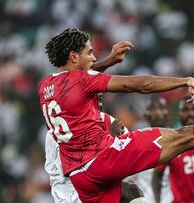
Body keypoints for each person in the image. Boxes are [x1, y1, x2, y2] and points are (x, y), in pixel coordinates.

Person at [38, 28, 194, 203]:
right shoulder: (82, 80)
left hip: (82, 178)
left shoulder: (45, 87)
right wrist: (182, 81)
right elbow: (138, 85)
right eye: (89, 53)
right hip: (103, 159)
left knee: (129, 192)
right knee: (187, 137)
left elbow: (78, 83)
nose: (94, 58)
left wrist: (106, 62)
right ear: (73, 56)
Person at [44, 41, 145, 203]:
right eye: (90, 98)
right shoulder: (58, 131)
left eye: (98, 97)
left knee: (131, 190)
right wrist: (110, 141)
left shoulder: (110, 121)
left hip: (100, 187)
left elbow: (124, 166)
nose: (96, 101)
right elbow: (78, 170)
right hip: (71, 193)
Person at [131, 96, 173, 203]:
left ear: (168, 113)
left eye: (161, 108)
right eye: (153, 109)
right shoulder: (136, 140)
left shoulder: (178, 139)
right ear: (146, 115)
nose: (158, 112)